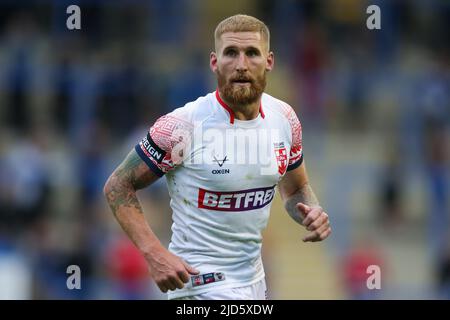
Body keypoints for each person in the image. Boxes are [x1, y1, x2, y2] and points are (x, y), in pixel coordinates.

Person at [104, 14, 331, 300]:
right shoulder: (183, 127)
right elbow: (118, 185)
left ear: (269, 61)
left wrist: (312, 211)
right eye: (231, 53)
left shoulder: (284, 120)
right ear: (214, 62)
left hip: (253, 286)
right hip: (199, 288)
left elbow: (296, 188)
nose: (241, 65)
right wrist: (154, 252)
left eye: (251, 53)